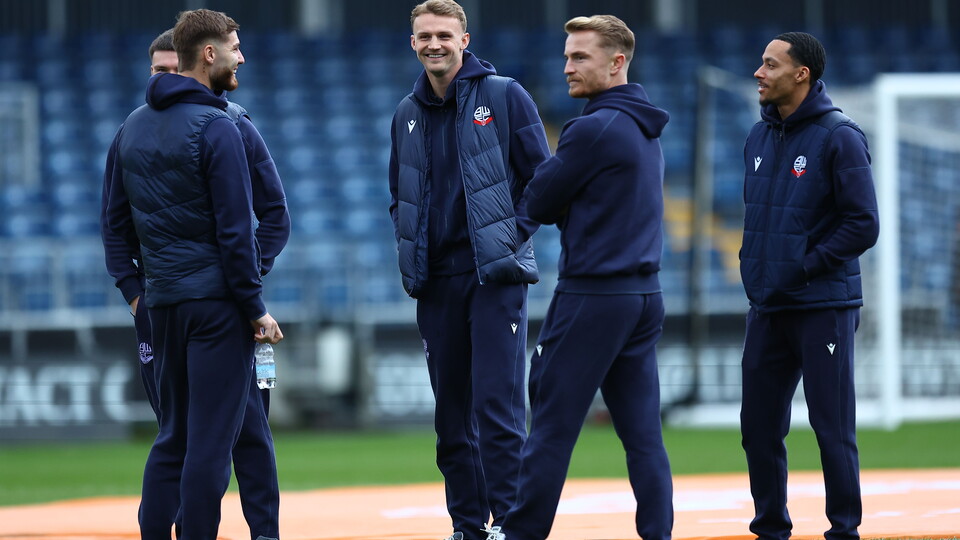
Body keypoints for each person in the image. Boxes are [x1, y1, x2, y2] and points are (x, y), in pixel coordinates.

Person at [100, 26, 290, 540]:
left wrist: (140, 294)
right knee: (211, 442)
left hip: (162, 305)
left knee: (173, 438)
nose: (241, 57)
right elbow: (234, 231)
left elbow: (114, 223)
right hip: (216, 308)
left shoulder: (131, 127)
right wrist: (253, 306)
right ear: (208, 54)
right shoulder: (219, 126)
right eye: (234, 48)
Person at [488, 15, 673, 540]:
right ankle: (658, 533)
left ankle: (520, 533)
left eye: (580, 57)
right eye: (567, 55)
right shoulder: (642, 125)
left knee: (549, 423)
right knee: (642, 435)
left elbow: (542, 197)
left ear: (616, 63)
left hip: (594, 297)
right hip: (643, 297)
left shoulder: (594, 127)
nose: (567, 66)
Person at [387, 1, 551, 538]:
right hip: (436, 282)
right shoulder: (405, 113)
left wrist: (510, 236)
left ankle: (510, 523)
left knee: (497, 410)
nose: (433, 43)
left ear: (465, 39)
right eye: (424, 36)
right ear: (412, 42)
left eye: (443, 35)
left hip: (493, 277)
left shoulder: (504, 95)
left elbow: (542, 182)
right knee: (449, 417)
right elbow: (399, 196)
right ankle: (467, 525)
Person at [739, 32, 879, 540]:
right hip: (768, 305)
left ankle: (844, 530)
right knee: (757, 427)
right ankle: (770, 529)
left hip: (824, 304)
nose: (759, 72)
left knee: (831, 426)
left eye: (770, 64)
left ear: (802, 74)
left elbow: (864, 223)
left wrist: (804, 266)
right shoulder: (757, 136)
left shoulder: (841, 136)